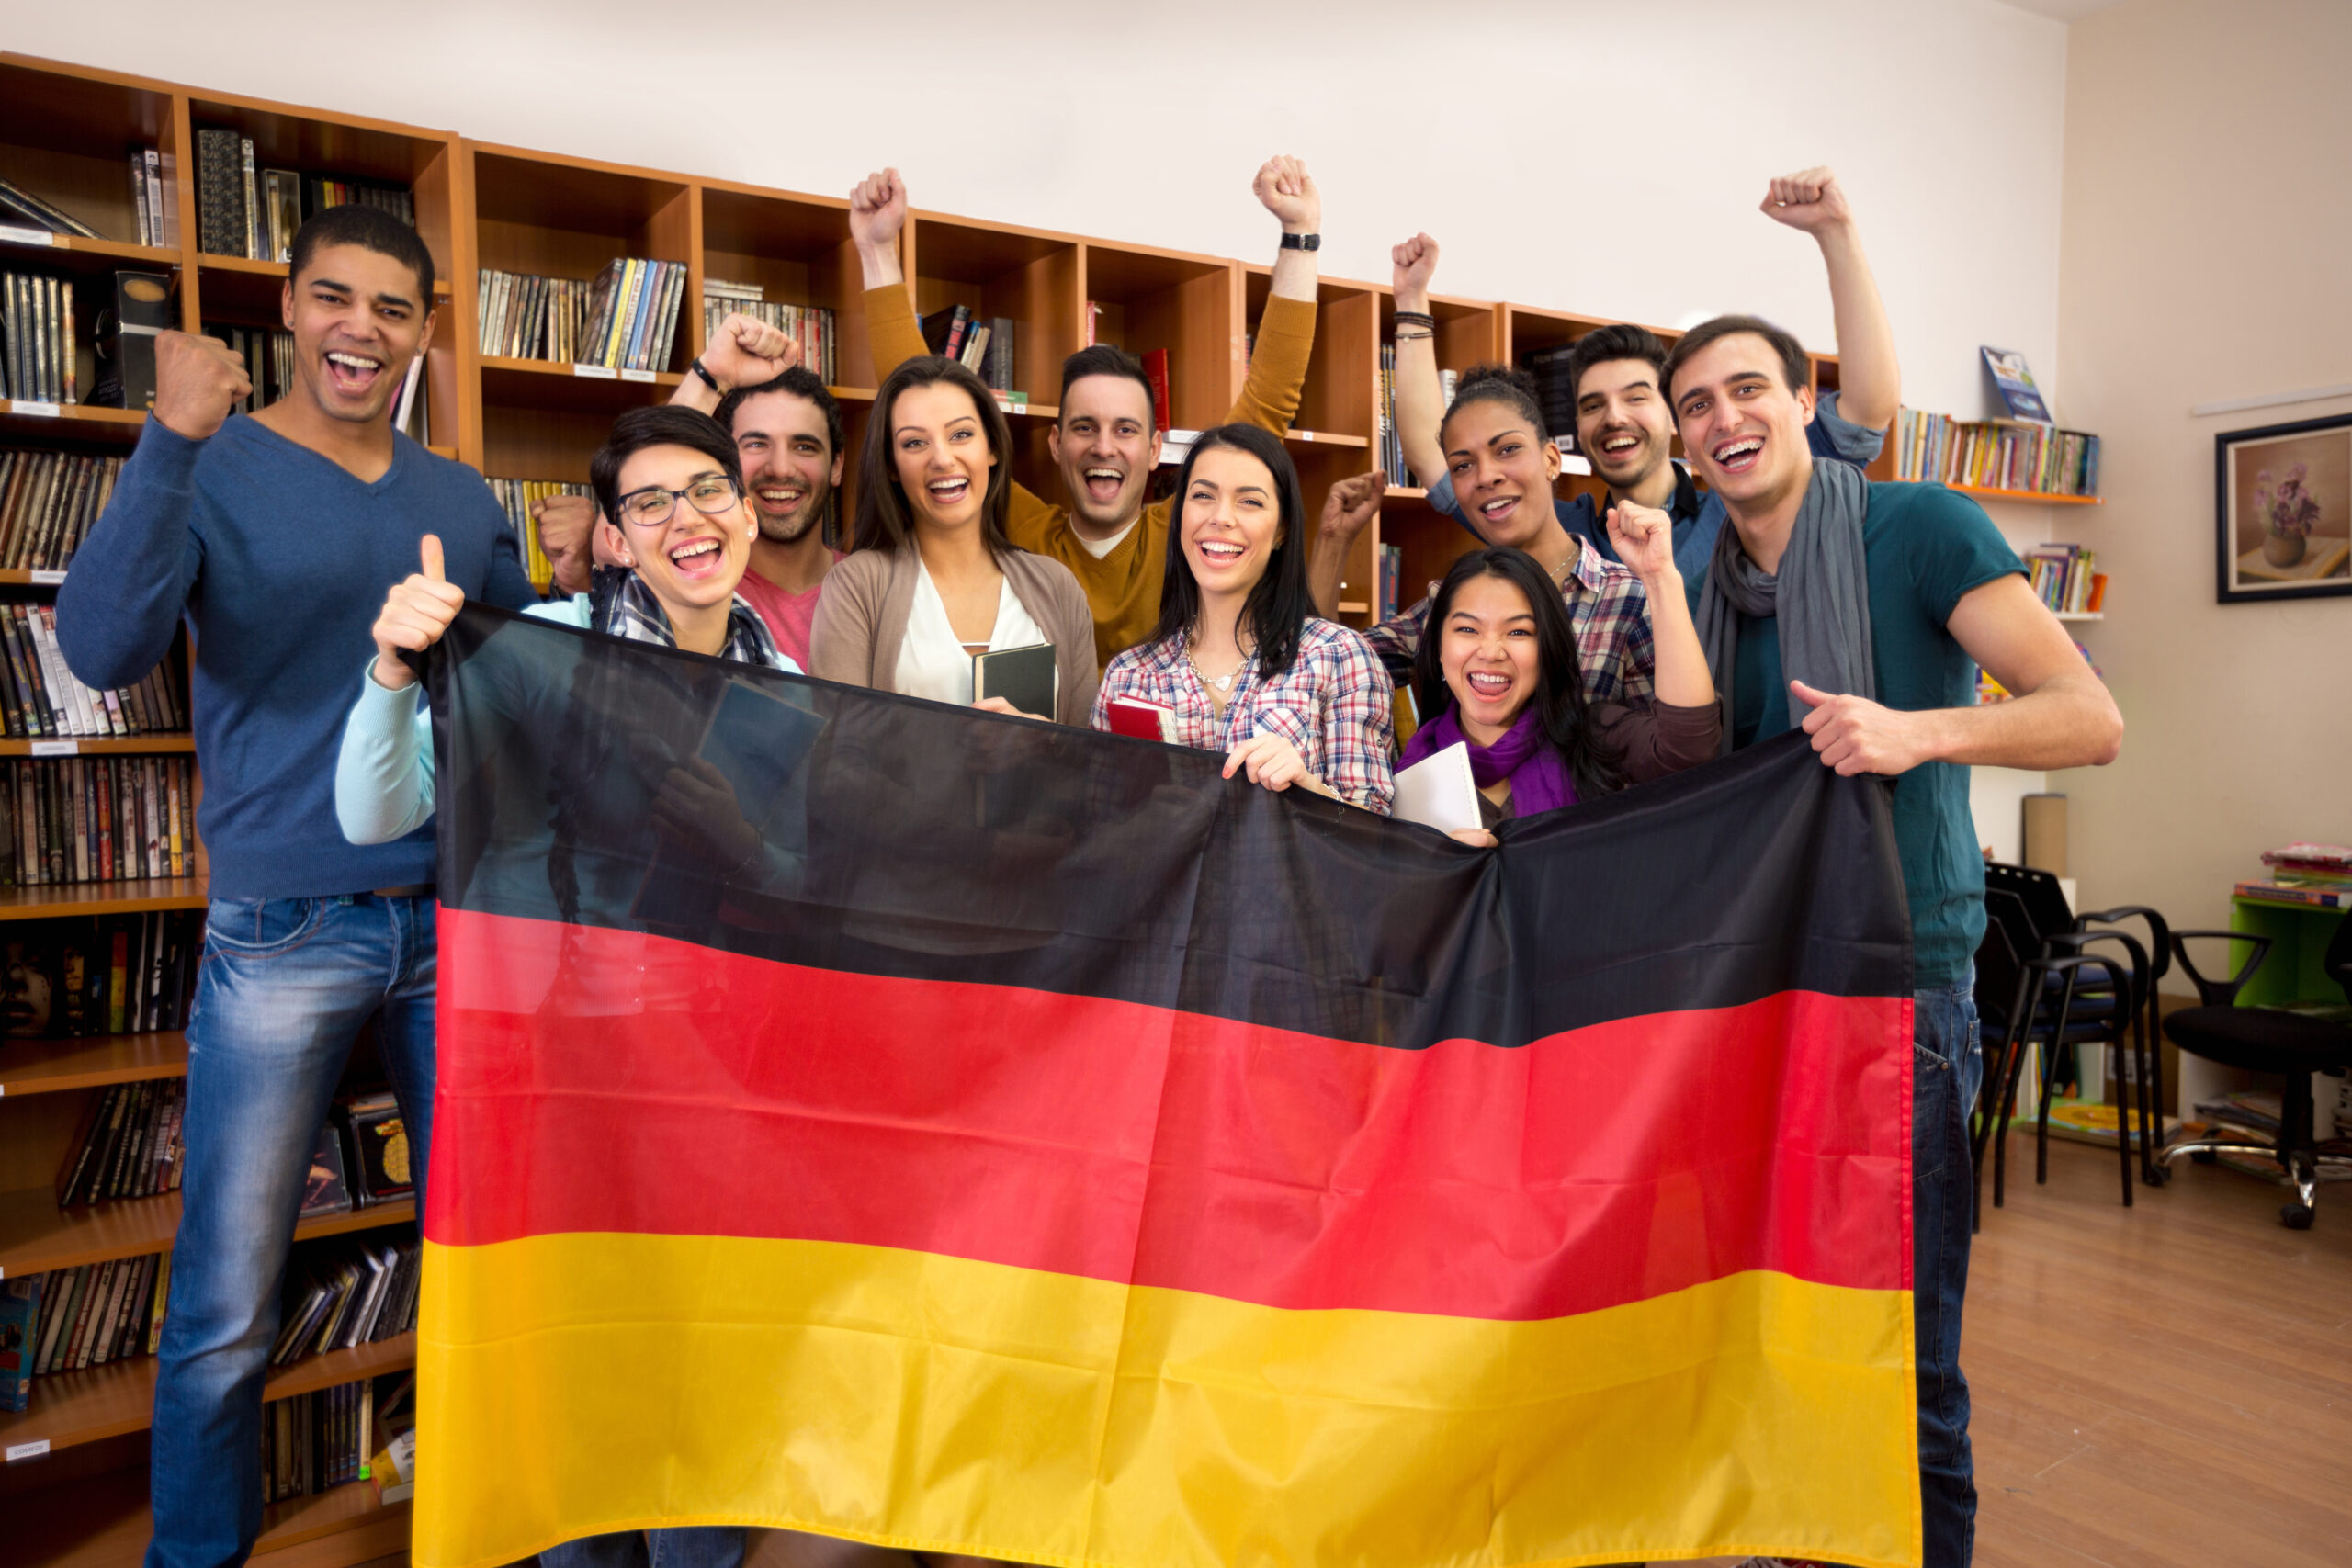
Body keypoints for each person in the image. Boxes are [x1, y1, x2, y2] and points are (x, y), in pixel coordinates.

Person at [52, 202, 537, 1568]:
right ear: (287, 306)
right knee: (225, 1302)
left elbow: (522, 675)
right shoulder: (213, 463)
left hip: (454, 918)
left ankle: (491, 1530)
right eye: (334, 297)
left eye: (392, 308)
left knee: (491, 1266)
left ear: (426, 332)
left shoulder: (460, 496)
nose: (359, 329)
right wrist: (169, 440)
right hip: (281, 927)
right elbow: (100, 650)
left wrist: (591, 564)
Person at [340, 403, 869, 1568]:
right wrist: (390, 671)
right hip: (550, 1066)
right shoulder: (542, 649)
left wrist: (739, 837)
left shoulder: (783, 685)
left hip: (707, 1072)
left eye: (709, 490)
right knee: (570, 1370)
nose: (689, 518)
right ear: (616, 539)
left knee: (692, 1365)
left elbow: (801, 890)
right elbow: (377, 815)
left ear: (748, 513)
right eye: (651, 502)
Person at [1663, 312, 2123, 1568]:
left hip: (1900, 990)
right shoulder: (1702, 582)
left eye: (1746, 388)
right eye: (1696, 404)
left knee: (1905, 1354)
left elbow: (2089, 718)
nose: (1723, 418)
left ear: (1803, 400)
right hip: (1761, 993)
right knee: (1778, 1334)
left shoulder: (1919, 526)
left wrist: (1918, 732)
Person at [847, 157, 1323, 667]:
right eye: (1084, 427)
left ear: (1155, 449)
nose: (1104, 446)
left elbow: (1268, 404)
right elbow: (919, 401)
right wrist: (876, 250)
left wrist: (1300, 235)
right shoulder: (1022, 532)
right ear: (1056, 444)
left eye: (1125, 429)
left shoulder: (1185, 534)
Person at [1388, 167, 1900, 581]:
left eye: (1636, 397)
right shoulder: (1558, 531)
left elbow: (1867, 410)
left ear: (1675, 414)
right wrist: (1412, 303)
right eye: (1593, 405)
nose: (1614, 417)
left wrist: (1836, 232)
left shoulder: (1743, 501)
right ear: (1575, 432)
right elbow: (1433, 457)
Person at [1093, 424, 1395, 813]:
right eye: (1203, 495)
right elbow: (1097, 828)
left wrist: (1308, 787)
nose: (1221, 517)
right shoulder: (1128, 677)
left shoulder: (1339, 656)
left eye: (1250, 501)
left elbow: (1375, 830)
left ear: (1282, 529)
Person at [1309, 370, 1657, 705]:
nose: (1486, 476)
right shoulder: (1450, 602)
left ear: (1551, 460)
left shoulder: (1629, 600)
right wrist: (1333, 540)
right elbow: (1323, 669)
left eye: (1507, 449)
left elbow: (1670, 737)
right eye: (1462, 465)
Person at [1401, 506, 1718, 846]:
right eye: (1467, 629)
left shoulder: (1593, 737)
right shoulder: (1411, 777)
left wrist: (1660, 578)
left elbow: (1688, 747)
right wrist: (1439, 867)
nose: (1491, 652)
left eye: (1519, 632)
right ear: (1438, 648)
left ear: (1548, 649)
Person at [808, 355, 1099, 725]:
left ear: (992, 447)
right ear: (892, 466)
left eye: (961, 434)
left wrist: (1044, 743)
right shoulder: (856, 587)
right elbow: (840, 749)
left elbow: (1086, 750)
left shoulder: (1059, 588)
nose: (943, 459)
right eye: (915, 442)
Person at [537, 326, 847, 670]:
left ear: (837, 465)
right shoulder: (669, 572)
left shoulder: (864, 587)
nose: (780, 468)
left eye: (804, 447)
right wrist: (710, 377)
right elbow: (634, 495)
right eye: (757, 444)